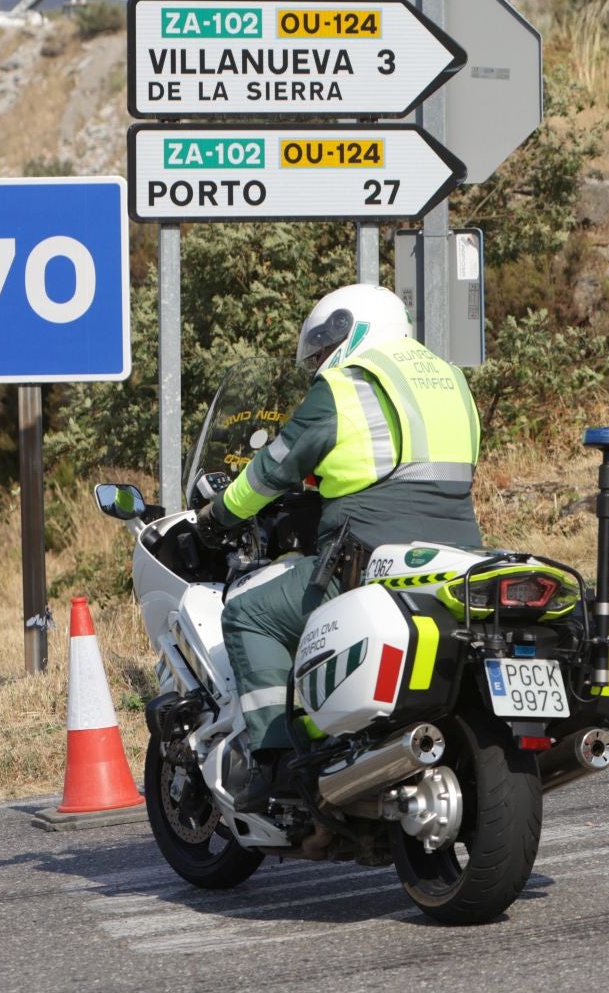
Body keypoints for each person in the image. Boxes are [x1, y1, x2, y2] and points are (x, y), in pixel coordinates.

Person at [199, 284, 482, 810]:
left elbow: (273, 468)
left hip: (364, 563)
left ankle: (273, 760)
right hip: (456, 562)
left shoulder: (346, 385)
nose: (322, 361)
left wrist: (217, 516)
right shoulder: (452, 382)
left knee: (248, 613)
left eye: (326, 347)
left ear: (356, 328)